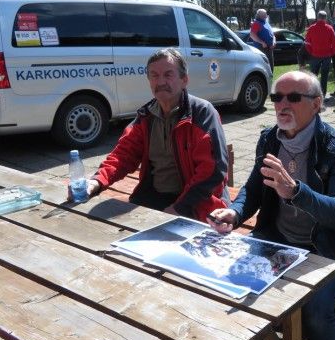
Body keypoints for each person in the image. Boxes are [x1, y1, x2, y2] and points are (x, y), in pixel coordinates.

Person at [208, 71, 335, 340]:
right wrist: (235, 214)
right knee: (232, 283)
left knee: (315, 309)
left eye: (293, 97)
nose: (282, 104)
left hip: (324, 249)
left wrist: (297, 191)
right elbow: (254, 189)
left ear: (317, 104)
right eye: (277, 97)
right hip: (277, 238)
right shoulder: (269, 139)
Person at [82, 48, 230, 222]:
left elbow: (212, 171)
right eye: (154, 75)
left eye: (168, 75)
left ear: (184, 80)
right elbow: (123, 155)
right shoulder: (146, 116)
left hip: (196, 203)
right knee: (96, 226)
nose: (160, 81)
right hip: (153, 197)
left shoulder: (202, 114)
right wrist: (96, 181)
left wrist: (179, 208)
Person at [305, 11, 335, 98]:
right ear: (325, 18)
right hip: (327, 56)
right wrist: (332, 52)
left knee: (313, 76)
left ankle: (313, 94)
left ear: (318, 17)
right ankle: (323, 95)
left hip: (315, 55)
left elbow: (307, 43)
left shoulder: (311, 28)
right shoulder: (329, 28)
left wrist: (311, 52)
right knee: (324, 76)